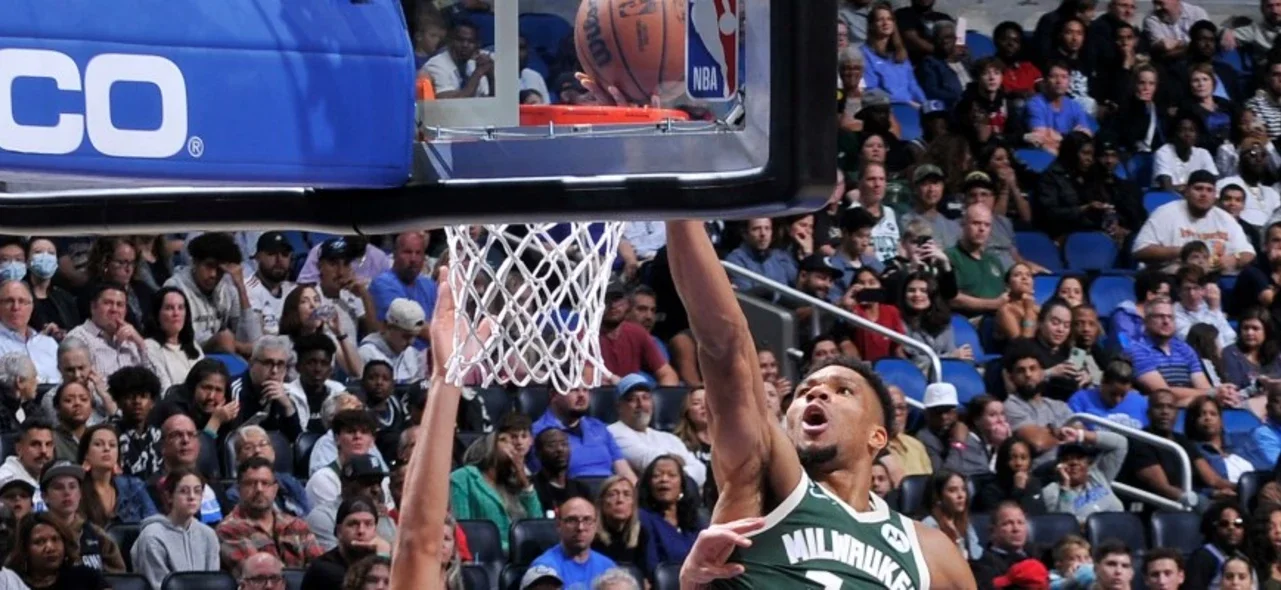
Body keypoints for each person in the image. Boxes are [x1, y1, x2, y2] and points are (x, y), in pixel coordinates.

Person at [660, 220, 975, 587]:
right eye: (804, 390)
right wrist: (679, 210)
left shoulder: (928, 551)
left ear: (877, 437)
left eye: (843, 391)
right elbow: (726, 348)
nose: (816, 393)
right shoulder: (766, 479)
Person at [130, 467, 220, 590]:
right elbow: (157, 585)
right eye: (184, 491)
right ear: (169, 496)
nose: (192, 497)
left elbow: (213, 583)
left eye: (197, 491)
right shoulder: (152, 536)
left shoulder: (209, 535)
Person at [301, 496, 391, 590]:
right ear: (339, 531)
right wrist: (383, 556)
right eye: (353, 524)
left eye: (368, 524)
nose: (361, 530)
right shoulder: (324, 569)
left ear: (375, 530)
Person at [6, 512, 109, 590]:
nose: (50, 547)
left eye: (55, 539)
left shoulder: (87, 577)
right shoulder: (10, 582)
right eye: (39, 542)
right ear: (24, 549)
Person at [531, 497, 617, 587]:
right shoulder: (544, 569)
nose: (580, 527)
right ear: (558, 525)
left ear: (596, 526)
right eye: (572, 520)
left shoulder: (608, 568)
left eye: (587, 520)